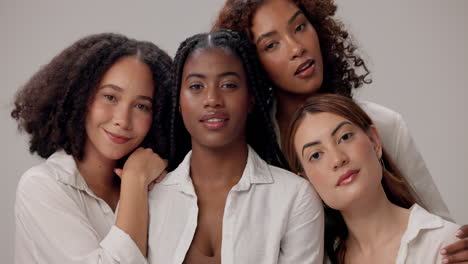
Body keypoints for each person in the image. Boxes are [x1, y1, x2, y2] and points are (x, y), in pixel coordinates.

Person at [212, 0, 468, 261]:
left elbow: (442, 229)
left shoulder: (383, 123)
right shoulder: (253, 152)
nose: (296, 48)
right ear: (253, 65)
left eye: (300, 27)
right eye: (271, 45)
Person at [147, 29, 324, 264]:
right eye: (196, 86)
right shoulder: (150, 198)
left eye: (229, 85)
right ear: (178, 101)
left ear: (251, 98)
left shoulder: (295, 197)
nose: (212, 99)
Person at [12, 33, 171, 263]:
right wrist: (135, 180)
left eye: (141, 106)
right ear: (81, 96)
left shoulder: (161, 185)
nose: (122, 120)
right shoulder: (41, 186)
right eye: (110, 97)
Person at [285, 93, 460, 263]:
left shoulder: (446, 245)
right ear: (306, 181)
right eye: (316, 155)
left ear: (374, 141)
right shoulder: (316, 259)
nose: (338, 159)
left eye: (345, 137)